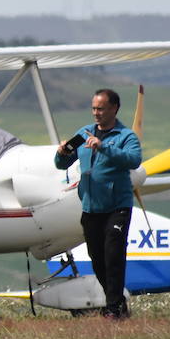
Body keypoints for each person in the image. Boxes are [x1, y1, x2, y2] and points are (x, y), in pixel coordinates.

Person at [54, 88, 141, 319]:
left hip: (117, 206)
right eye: (94, 108)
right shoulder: (83, 134)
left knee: (113, 254)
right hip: (91, 207)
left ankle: (112, 308)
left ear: (114, 109)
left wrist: (103, 147)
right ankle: (117, 303)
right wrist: (61, 153)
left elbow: (134, 160)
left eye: (101, 108)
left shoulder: (126, 136)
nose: (96, 113)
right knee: (97, 258)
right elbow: (61, 164)